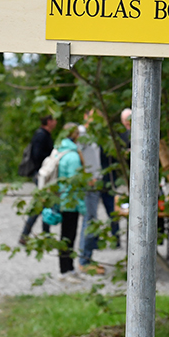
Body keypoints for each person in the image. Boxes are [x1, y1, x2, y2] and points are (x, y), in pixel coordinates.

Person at [19, 115, 57, 245]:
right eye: (54, 120)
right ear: (49, 121)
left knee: (44, 204)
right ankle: (27, 234)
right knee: (41, 204)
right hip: (41, 174)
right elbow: (37, 155)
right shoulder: (41, 136)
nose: (56, 122)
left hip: (42, 174)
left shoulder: (44, 134)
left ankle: (40, 234)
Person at [55, 123, 84, 282]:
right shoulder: (72, 156)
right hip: (70, 201)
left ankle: (68, 267)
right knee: (68, 236)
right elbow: (75, 182)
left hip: (63, 199)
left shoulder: (60, 150)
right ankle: (65, 269)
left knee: (66, 235)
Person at [77, 112, 105, 275]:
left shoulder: (93, 135)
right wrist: (86, 176)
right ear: (86, 116)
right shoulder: (82, 133)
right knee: (89, 220)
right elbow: (77, 152)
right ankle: (84, 260)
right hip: (89, 184)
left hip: (96, 182)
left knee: (93, 220)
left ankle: (88, 256)